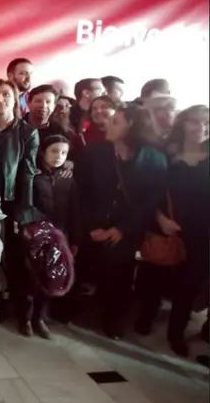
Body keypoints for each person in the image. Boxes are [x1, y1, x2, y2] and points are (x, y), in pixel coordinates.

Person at [75, 103, 167, 339]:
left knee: (119, 272)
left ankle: (113, 319)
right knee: (79, 259)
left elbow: (150, 200)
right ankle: (71, 309)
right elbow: (82, 192)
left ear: (132, 127)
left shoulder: (154, 159)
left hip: (126, 229)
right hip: (93, 223)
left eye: (116, 121)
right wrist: (92, 225)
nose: (109, 124)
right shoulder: (95, 152)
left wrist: (122, 229)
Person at [136, 105, 209, 356]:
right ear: (184, 124)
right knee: (156, 276)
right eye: (195, 122)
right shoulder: (166, 154)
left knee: (188, 286)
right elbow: (149, 192)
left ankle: (176, 333)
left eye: (206, 124)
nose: (201, 128)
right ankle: (147, 316)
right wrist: (160, 219)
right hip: (166, 225)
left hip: (202, 232)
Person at [0, 79, 39, 331]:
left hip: (13, 203)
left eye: (6, 95)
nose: (0, 99)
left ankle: (24, 313)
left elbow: (27, 174)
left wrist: (22, 212)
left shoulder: (27, 132)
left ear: (16, 100)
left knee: (16, 259)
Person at [28, 135, 81, 339]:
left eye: (63, 153)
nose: (58, 156)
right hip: (37, 235)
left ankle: (39, 317)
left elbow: (75, 210)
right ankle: (26, 316)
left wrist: (74, 239)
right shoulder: (34, 176)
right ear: (44, 152)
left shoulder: (67, 179)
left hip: (60, 236)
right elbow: (28, 205)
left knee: (51, 276)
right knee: (31, 277)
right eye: (54, 151)